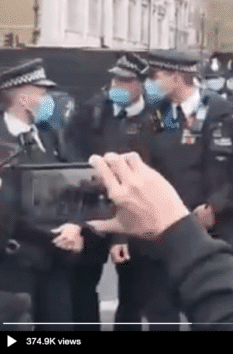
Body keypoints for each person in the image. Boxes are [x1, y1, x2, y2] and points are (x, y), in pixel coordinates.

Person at [80, 152, 233, 330]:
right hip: (158, 231)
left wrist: (204, 213)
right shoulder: (155, 121)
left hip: (184, 225)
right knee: (142, 306)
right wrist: (181, 230)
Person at [144, 49, 233, 330]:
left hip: (215, 229)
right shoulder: (158, 116)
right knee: (162, 311)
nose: (150, 82)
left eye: (155, 76)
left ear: (175, 78)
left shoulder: (220, 112)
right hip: (168, 229)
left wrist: (216, 206)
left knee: (211, 310)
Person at [64, 53, 156, 331]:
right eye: (115, 79)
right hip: (94, 210)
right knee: (81, 287)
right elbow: (72, 157)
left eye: (127, 80)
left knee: (133, 293)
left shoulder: (157, 117)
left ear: (142, 84)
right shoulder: (91, 111)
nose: (118, 85)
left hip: (134, 215)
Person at [0, 58, 79, 331]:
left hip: (53, 256)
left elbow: (73, 184)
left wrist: (75, 226)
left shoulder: (53, 135)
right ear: (24, 99)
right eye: (42, 94)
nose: (49, 100)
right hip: (10, 261)